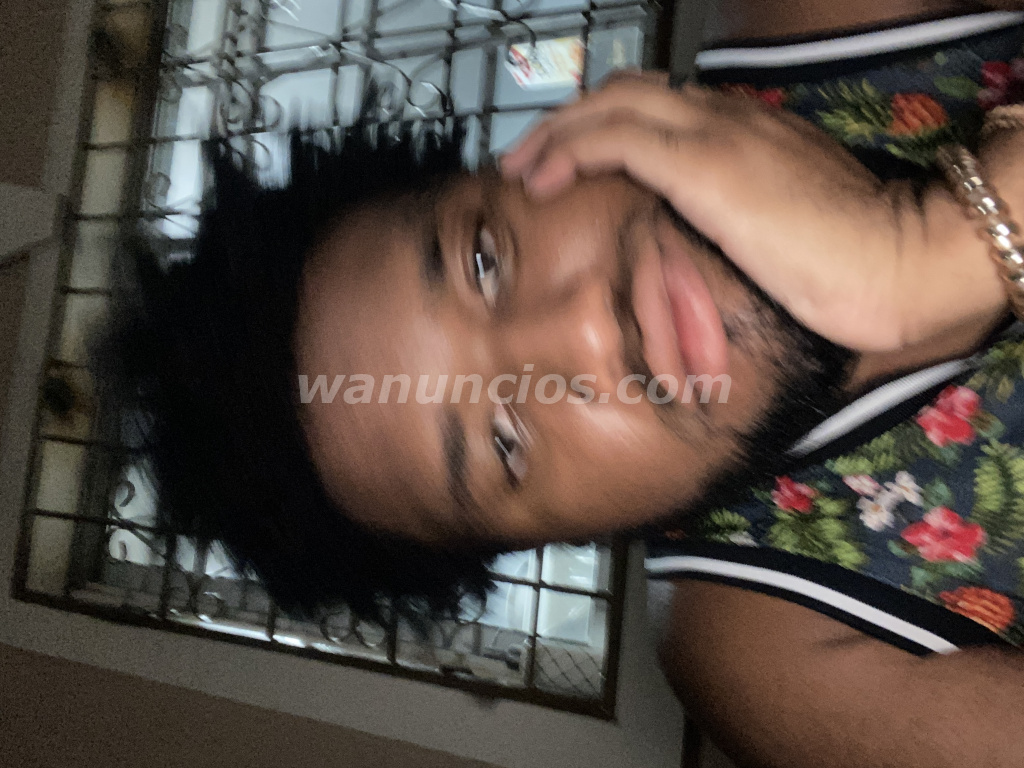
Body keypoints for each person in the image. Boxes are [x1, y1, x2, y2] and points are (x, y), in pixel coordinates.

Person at [98, 0, 1024, 762]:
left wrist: (940, 242)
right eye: (504, 442)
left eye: (485, 260)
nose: (586, 330)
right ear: (572, 537)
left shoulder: (822, 25)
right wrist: (925, 256)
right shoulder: (768, 654)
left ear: (535, 151)